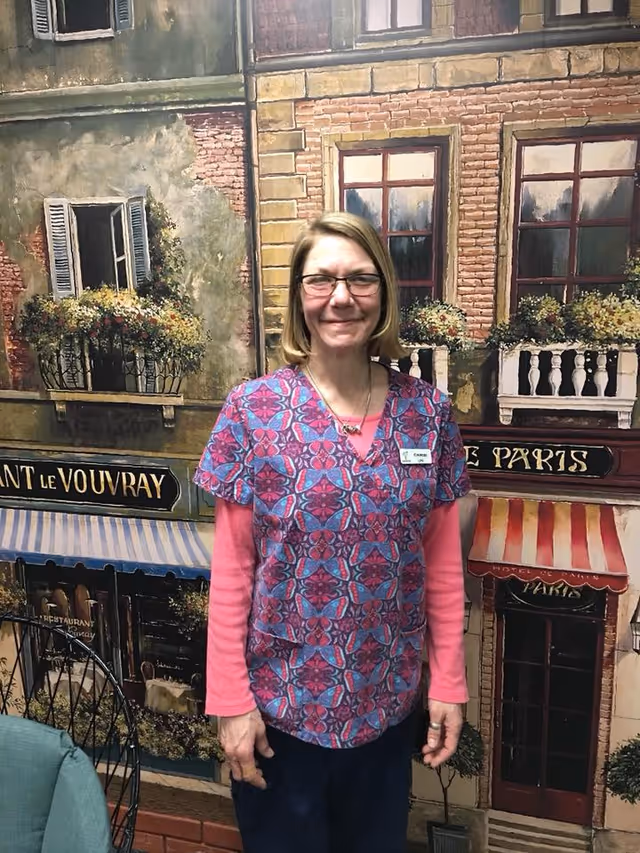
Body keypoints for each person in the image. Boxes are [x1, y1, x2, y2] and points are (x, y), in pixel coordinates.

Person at [194, 211, 471, 853]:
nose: (341, 298)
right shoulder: (252, 411)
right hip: (278, 721)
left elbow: (443, 563)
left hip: (385, 716)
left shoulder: (427, 414)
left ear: (383, 294)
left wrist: (449, 684)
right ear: (299, 296)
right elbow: (233, 573)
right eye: (321, 280)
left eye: (359, 279)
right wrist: (231, 703)